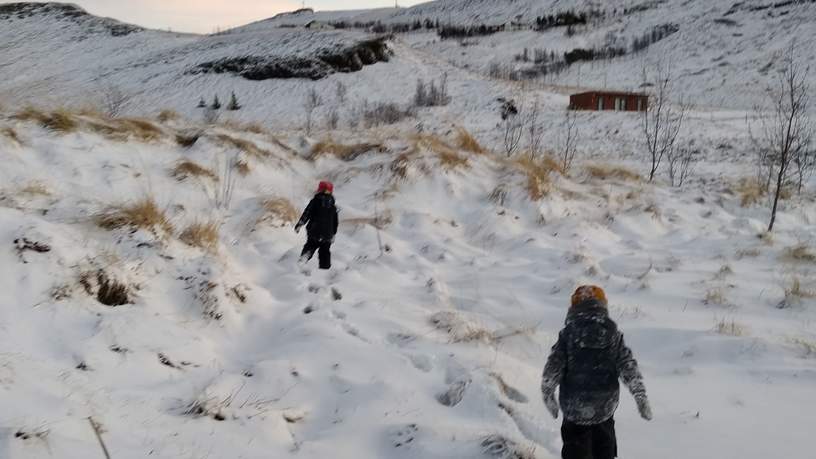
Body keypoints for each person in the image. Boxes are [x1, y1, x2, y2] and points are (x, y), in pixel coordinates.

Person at [541, 285, 652, 459]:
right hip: (604, 406)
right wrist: (640, 395)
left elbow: (553, 367)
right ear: (603, 306)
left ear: (573, 308)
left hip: (574, 408)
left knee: (575, 450)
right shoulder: (613, 334)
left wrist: (548, 393)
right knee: (604, 447)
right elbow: (627, 366)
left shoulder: (568, 335)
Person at [295, 181, 339, 270]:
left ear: (319, 190)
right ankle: (324, 270)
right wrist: (333, 234)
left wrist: (300, 224)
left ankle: (302, 263)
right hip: (327, 235)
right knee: (325, 252)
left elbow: (306, 214)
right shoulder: (333, 206)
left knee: (310, 247)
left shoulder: (315, 201)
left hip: (314, 232)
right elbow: (335, 222)